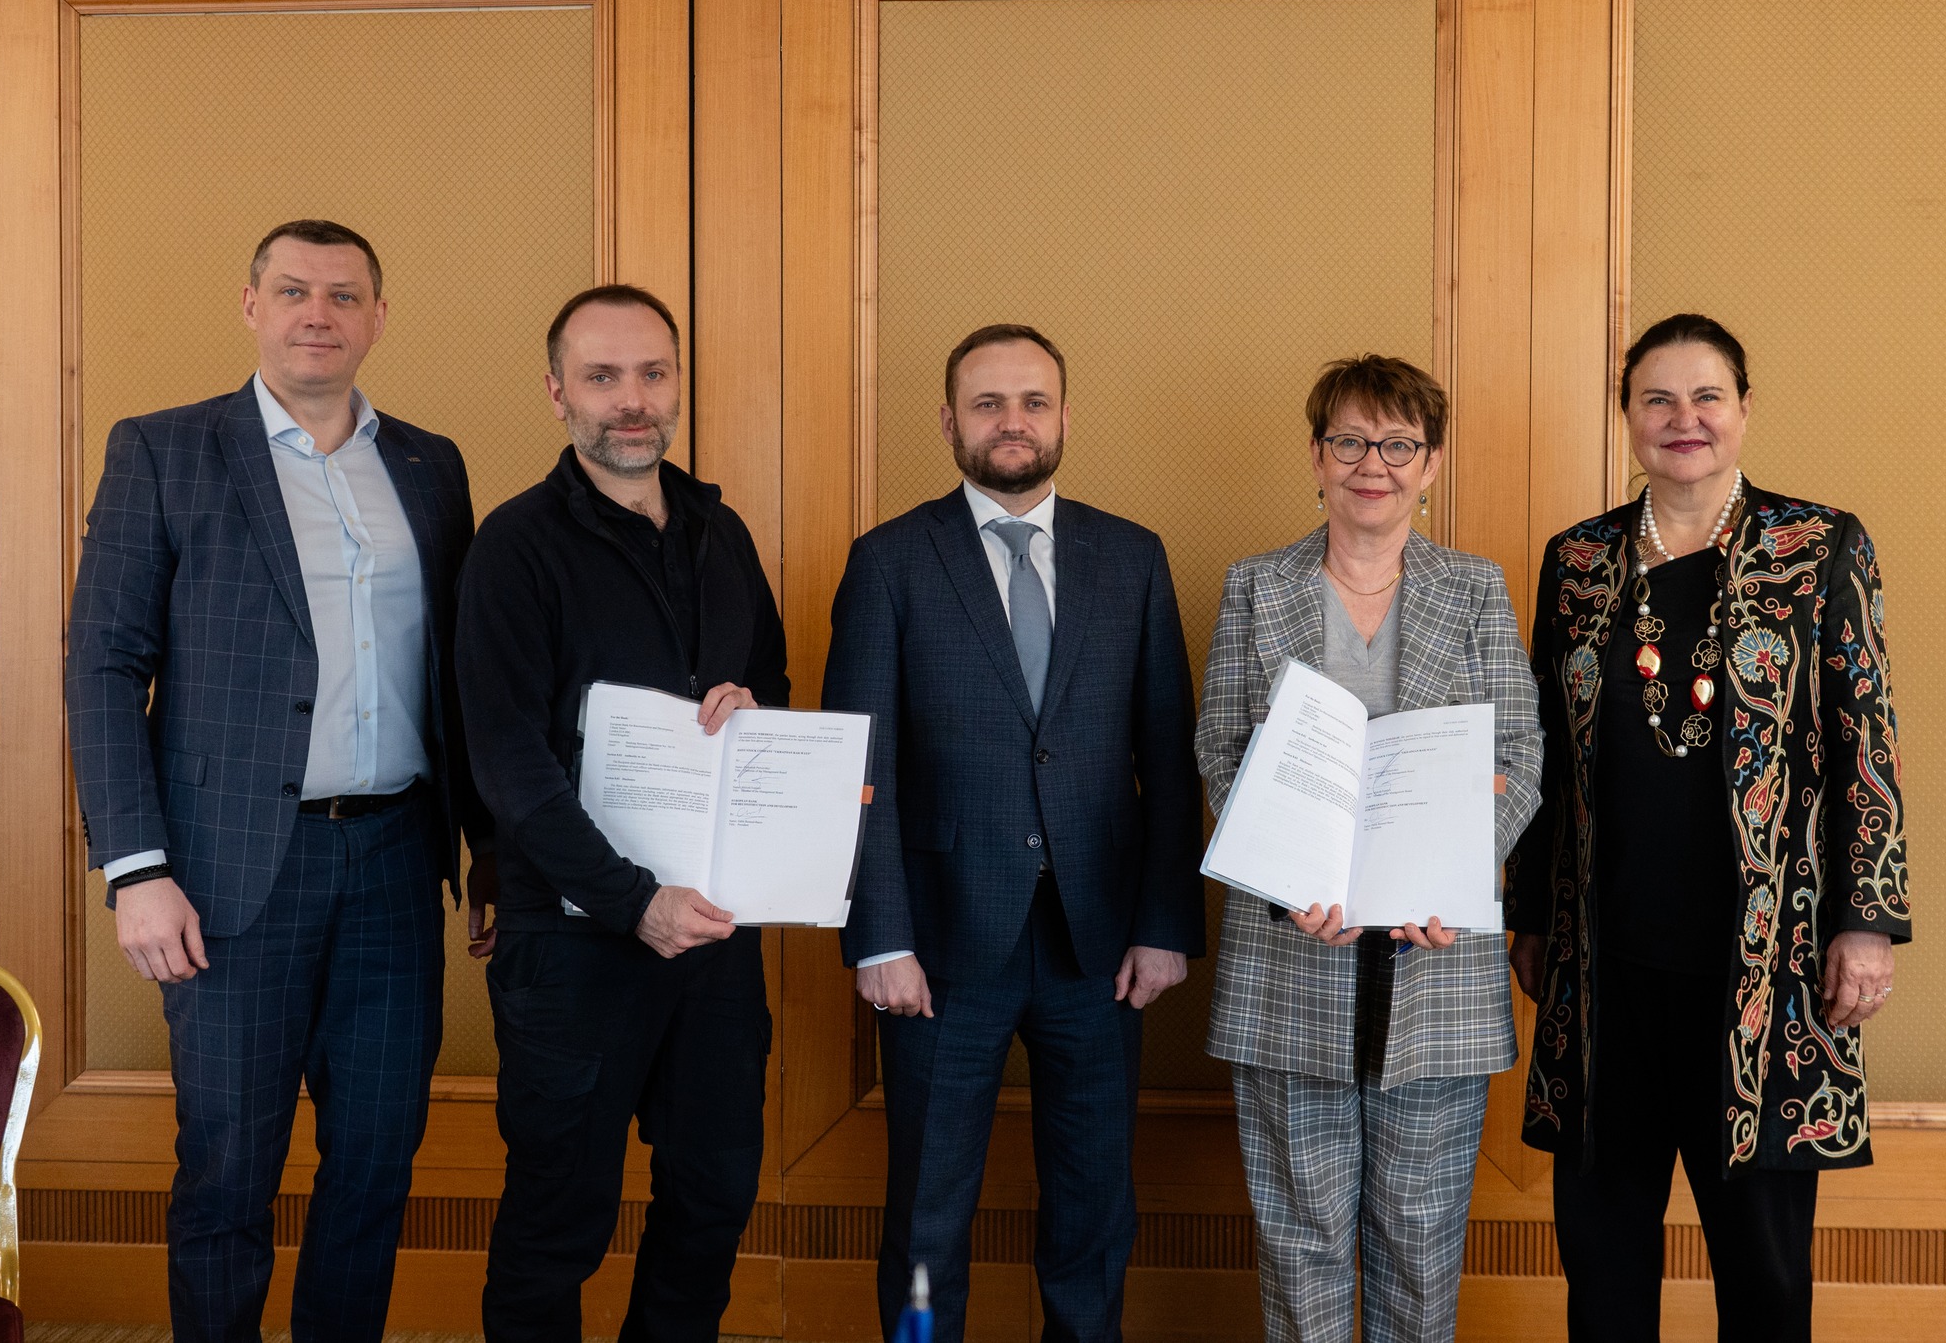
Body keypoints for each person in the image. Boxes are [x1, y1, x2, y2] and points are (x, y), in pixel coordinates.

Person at [65, 219, 487, 1342]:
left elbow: (463, 673)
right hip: (229, 874)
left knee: (376, 1162)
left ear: (378, 318)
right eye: (294, 290)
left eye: (344, 295)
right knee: (227, 1171)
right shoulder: (164, 450)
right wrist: (136, 867)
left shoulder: (430, 465)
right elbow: (103, 663)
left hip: (398, 863)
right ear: (250, 306)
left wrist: (488, 847)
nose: (318, 314)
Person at [1508, 313, 1911, 1343]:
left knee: (1763, 1275)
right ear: (1627, 415)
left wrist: (1866, 922)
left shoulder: (1816, 545)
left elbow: (1864, 740)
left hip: (1765, 971)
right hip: (1606, 970)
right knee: (1602, 1263)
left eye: (1705, 397)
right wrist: (1530, 913)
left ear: (1742, 409)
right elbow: (1542, 751)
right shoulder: (1578, 560)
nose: (1682, 418)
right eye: (1657, 398)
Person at [824, 324, 1204, 1343]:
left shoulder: (1132, 558)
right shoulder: (889, 561)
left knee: (1093, 1211)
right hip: (938, 949)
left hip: (1100, 947)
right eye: (987, 403)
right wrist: (880, 936)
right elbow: (859, 767)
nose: (1012, 421)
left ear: (1064, 417)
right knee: (925, 1217)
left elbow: (1168, 760)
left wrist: (1164, 922)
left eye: (1033, 401)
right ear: (948, 422)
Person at [455, 284, 786, 1342]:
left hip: (716, 937)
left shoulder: (721, 533)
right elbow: (508, 763)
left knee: (713, 1197)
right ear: (558, 393)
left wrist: (753, 714)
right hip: (574, 943)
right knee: (560, 1220)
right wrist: (632, 902)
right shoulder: (514, 546)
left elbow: (773, 693)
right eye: (601, 377)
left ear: (677, 385)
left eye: (651, 373)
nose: (630, 399)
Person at [1196, 355, 1543, 1343]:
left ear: (1429, 465)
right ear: (1316, 457)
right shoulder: (1255, 586)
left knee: (1420, 1249)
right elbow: (1219, 750)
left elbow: (1518, 757)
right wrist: (1285, 883)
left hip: (1436, 963)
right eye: (1349, 440)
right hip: (1289, 956)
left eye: (1397, 445)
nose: (1371, 465)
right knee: (1299, 1247)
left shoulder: (1474, 588)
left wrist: (1452, 877)